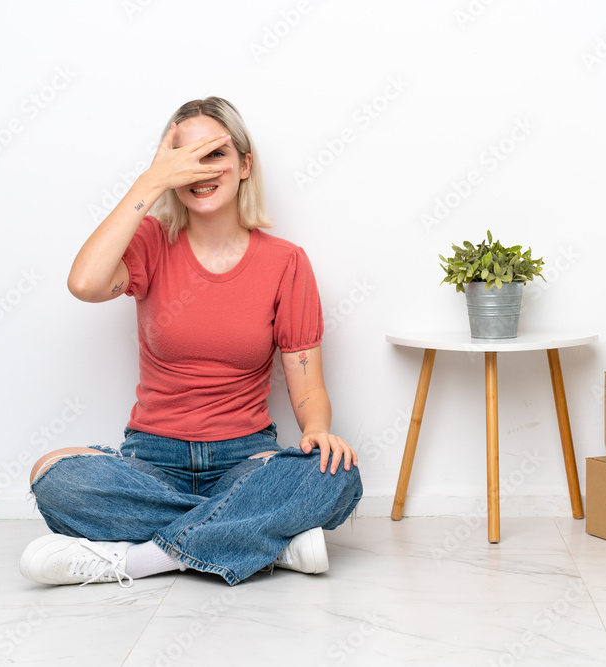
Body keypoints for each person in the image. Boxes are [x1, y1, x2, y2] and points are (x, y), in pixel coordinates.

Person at [19, 97, 362, 587]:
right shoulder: (151, 242)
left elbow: (307, 387)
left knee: (337, 475)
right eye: (185, 158)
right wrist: (150, 182)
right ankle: (263, 537)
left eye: (215, 154)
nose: (200, 170)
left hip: (246, 459)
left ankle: (138, 560)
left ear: (244, 164)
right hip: (151, 459)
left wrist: (319, 431)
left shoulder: (286, 262)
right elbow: (85, 284)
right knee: (53, 477)